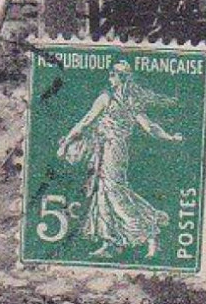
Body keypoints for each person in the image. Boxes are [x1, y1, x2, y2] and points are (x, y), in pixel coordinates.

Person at [58, 61, 183, 259]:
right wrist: (169, 137)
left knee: (115, 193)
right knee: (104, 192)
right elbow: (150, 127)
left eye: (112, 75)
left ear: (118, 78)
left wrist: (66, 142)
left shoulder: (106, 99)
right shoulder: (130, 101)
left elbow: (85, 121)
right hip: (112, 149)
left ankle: (149, 231)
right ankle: (111, 242)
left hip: (111, 149)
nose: (110, 79)